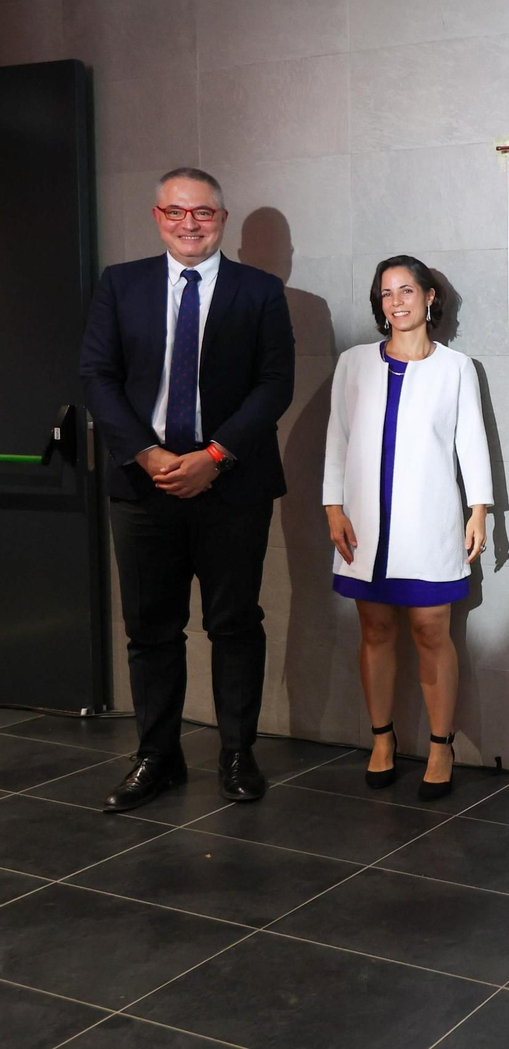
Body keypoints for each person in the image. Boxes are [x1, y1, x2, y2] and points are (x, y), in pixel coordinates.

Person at [80, 167, 295, 811]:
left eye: (202, 213)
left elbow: (274, 383)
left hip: (232, 486)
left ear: (222, 221)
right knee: (150, 628)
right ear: (157, 217)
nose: (189, 223)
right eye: (176, 212)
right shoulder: (121, 285)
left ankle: (236, 754)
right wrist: (145, 454)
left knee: (233, 624)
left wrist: (215, 456)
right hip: (142, 489)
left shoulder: (259, 290)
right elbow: (97, 376)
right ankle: (157, 757)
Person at [322, 256, 492, 802]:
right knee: (374, 630)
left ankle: (440, 746)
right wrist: (332, 506)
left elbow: (472, 441)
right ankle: (382, 741)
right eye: (386, 293)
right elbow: (337, 439)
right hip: (363, 524)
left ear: (430, 297)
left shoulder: (456, 368)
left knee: (430, 630)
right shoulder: (353, 363)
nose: (396, 301)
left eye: (406, 290)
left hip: (428, 519)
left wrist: (480, 509)